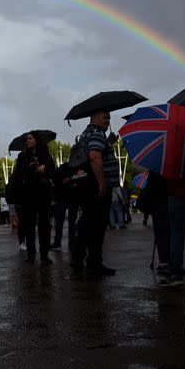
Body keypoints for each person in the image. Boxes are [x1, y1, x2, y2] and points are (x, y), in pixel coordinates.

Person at [71, 110, 118, 277]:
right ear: (95, 117)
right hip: (96, 187)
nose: (108, 120)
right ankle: (93, 264)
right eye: (105, 117)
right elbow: (95, 157)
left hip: (86, 186)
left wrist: (109, 143)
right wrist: (101, 183)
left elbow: (97, 154)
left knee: (87, 224)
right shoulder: (97, 133)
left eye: (109, 118)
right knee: (96, 226)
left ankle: (80, 261)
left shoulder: (88, 133)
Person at [11, 131, 56, 264]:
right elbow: (18, 175)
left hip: (43, 194)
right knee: (29, 226)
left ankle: (44, 255)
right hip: (28, 195)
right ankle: (31, 254)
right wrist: (29, 168)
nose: (28, 140)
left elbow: (53, 173)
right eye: (27, 138)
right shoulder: (22, 156)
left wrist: (45, 168)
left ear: (37, 140)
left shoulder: (46, 156)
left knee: (44, 226)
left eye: (30, 138)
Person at [51, 162, 78, 250]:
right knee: (72, 222)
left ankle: (57, 242)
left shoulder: (60, 170)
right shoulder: (75, 169)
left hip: (61, 199)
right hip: (72, 198)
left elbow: (55, 183)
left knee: (59, 223)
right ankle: (72, 243)